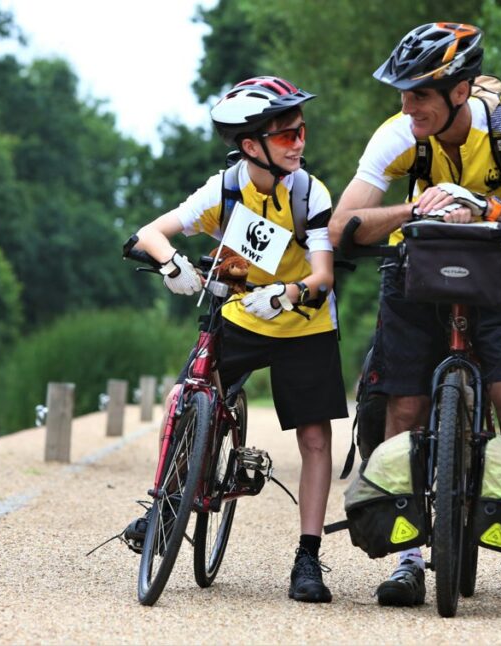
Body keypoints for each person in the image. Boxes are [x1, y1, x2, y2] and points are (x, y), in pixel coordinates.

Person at [328, 23, 501, 613]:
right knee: (407, 403)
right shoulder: (399, 134)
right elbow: (342, 228)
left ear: (459, 91)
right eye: (404, 94)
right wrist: (415, 206)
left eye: (420, 94)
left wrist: (485, 208)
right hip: (418, 270)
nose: (407, 105)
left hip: (498, 270)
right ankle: (406, 556)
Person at [128, 76, 349, 603]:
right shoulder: (224, 189)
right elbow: (149, 233)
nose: (299, 142)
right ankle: (165, 508)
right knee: (186, 396)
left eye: (301, 131)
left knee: (315, 437)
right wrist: (171, 264)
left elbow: (324, 275)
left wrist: (286, 293)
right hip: (241, 315)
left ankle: (308, 558)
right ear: (252, 147)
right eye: (287, 134)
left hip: (303, 322)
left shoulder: (308, 191)